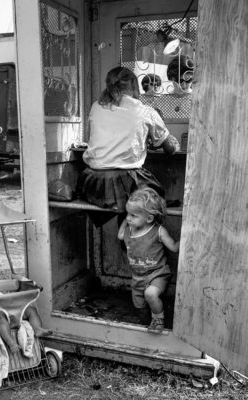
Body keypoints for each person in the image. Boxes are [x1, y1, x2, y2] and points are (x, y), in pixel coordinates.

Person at [77, 66, 179, 215]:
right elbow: (170, 149)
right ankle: (136, 235)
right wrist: (172, 142)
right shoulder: (145, 111)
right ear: (134, 86)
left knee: (133, 197)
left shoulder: (96, 106)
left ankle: (124, 232)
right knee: (151, 199)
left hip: (91, 184)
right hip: (123, 185)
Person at [117, 188, 179, 333]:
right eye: (127, 214)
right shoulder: (128, 231)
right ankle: (148, 322)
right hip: (137, 278)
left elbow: (174, 247)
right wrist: (127, 222)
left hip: (157, 273)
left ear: (149, 218)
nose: (128, 218)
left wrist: (187, 237)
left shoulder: (158, 231)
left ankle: (159, 320)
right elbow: (120, 235)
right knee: (140, 308)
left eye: (133, 215)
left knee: (150, 294)